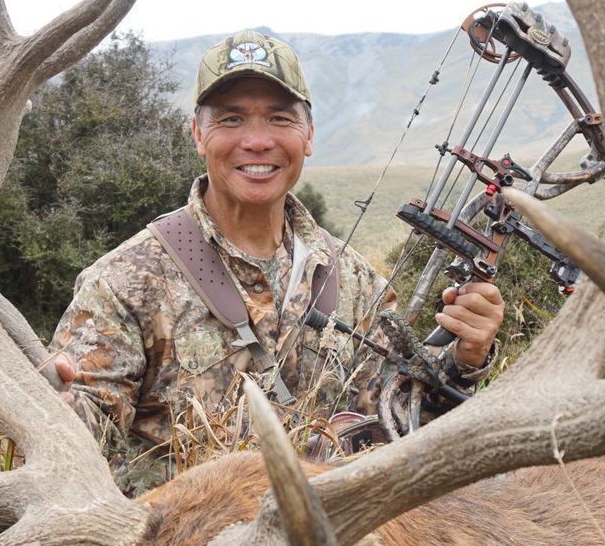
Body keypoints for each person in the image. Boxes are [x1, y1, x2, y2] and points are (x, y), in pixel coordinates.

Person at [43, 29, 504, 492]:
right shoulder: (124, 282)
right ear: (198, 134)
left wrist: (464, 361)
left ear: (308, 136)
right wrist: (50, 408)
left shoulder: (359, 283)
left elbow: (399, 427)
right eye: (232, 119)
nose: (258, 141)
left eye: (280, 119)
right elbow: (76, 437)